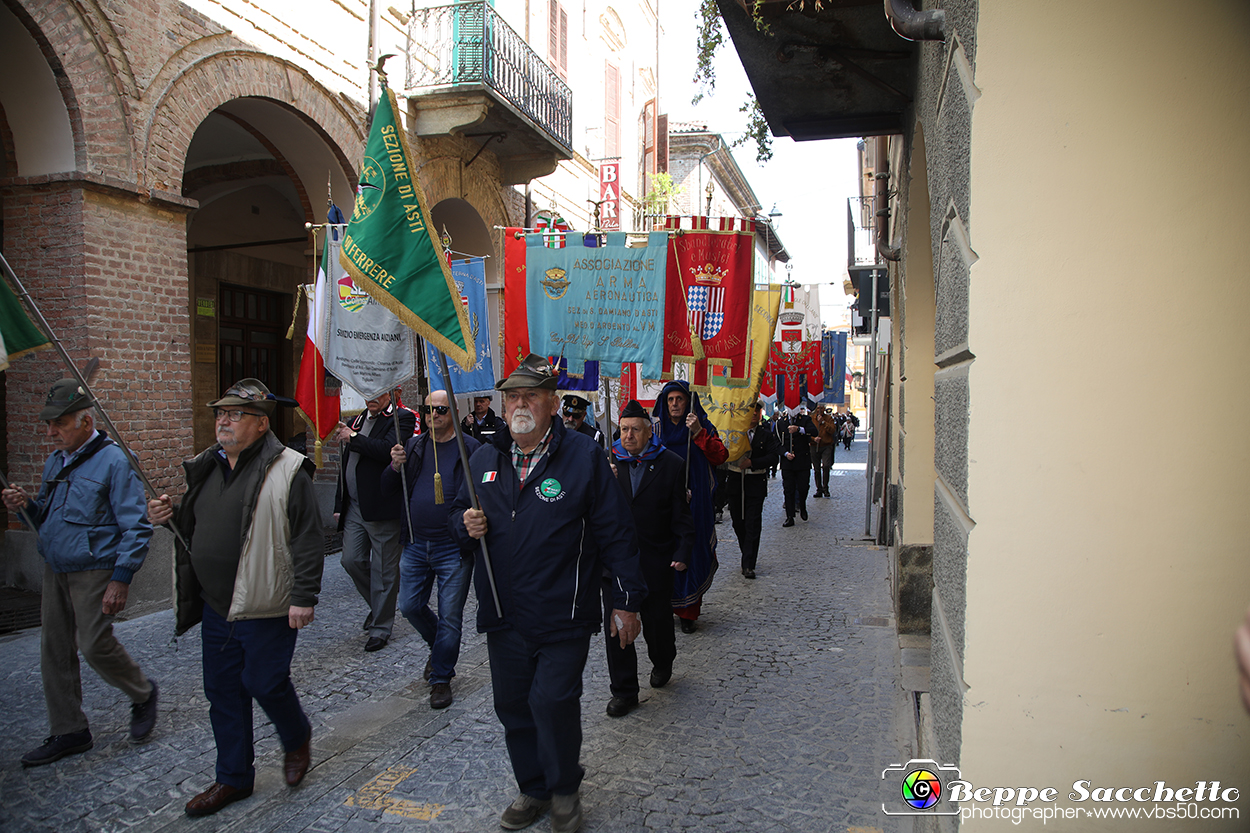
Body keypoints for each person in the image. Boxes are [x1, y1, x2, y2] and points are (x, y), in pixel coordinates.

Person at [449, 354, 646, 833]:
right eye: (512, 396)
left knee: (552, 701)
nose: (519, 405)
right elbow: (458, 521)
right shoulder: (483, 458)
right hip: (503, 612)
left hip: (564, 613)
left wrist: (626, 600)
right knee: (512, 707)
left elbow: (616, 532)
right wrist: (464, 523)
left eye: (530, 397)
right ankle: (533, 787)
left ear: (552, 404)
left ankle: (563, 790)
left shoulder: (582, 456)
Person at [147, 378, 322, 817]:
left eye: (234, 415)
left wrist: (304, 596)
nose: (223, 421)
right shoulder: (207, 466)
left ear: (261, 425)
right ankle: (233, 778)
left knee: (265, 683)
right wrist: (167, 518)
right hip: (217, 605)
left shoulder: (289, 468)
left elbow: (307, 537)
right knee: (222, 691)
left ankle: (296, 735)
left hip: (267, 603)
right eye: (219, 414)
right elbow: (197, 529)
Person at [2, 379, 158, 767]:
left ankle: (142, 693)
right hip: (56, 566)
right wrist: (25, 506)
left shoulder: (115, 461)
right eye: (49, 424)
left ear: (85, 421)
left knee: (93, 644)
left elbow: (136, 526)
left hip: (95, 569)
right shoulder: (56, 459)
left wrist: (121, 578)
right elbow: (47, 518)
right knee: (53, 650)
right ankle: (69, 729)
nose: (51, 431)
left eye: (60, 423)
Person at [382, 390, 479, 710]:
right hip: (415, 543)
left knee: (451, 617)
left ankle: (440, 678)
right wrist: (394, 467)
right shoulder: (414, 446)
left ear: (452, 411)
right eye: (427, 409)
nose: (432, 415)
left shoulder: (471, 448)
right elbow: (386, 488)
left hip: (453, 547)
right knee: (410, 606)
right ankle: (440, 649)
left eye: (439, 409)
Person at [602, 400, 693, 717]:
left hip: (655, 559)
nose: (627, 436)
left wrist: (682, 551)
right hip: (615, 562)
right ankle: (625, 691)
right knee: (617, 628)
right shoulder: (608, 461)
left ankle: (663, 659)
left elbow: (682, 516)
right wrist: (604, 482)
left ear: (649, 431)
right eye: (623, 429)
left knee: (657, 625)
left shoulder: (671, 463)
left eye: (634, 430)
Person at [333, 390, 416, 652]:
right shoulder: (358, 419)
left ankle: (381, 627)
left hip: (381, 506)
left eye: (378, 393)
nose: (372, 397)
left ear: (393, 394)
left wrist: (353, 437)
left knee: (384, 570)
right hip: (355, 507)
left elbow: (387, 451)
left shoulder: (400, 418)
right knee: (351, 560)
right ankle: (379, 605)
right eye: (368, 392)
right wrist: (339, 503)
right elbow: (346, 464)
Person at [652, 380, 728, 634]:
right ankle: (665, 606)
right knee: (664, 553)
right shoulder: (656, 431)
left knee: (692, 553)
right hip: (663, 504)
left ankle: (689, 610)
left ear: (689, 402)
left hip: (696, 504)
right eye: (670, 400)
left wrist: (697, 433)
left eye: (680, 399)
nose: (674, 404)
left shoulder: (702, 426)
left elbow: (720, 455)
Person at [722, 400, 781, 579]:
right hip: (735, 482)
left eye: (757, 411)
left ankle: (748, 564)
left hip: (755, 483)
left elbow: (773, 457)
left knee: (752, 524)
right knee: (738, 523)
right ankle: (746, 551)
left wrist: (753, 463)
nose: (754, 414)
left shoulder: (766, 435)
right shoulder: (735, 433)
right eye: (751, 411)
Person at [776, 406, 816, 526]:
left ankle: (802, 505)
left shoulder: (805, 420)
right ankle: (790, 516)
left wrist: (799, 429)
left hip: (802, 461)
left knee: (803, 487)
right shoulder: (780, 422)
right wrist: (785, 453)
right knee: (788, 489)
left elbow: (814, 432)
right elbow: (776, 442)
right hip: (787, 462)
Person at [809, 405, 838, 498]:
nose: (819, 410)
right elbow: (807, 432)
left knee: (826, 466)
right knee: (816, 469)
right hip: (814, 446)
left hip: (826, 446)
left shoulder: (829, 418)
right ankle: (819, 489)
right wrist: (813, 439)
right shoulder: (811, 419)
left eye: (821, 408)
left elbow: (832, 430)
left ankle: (826, 487)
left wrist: (823, 422)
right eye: (818, 408)